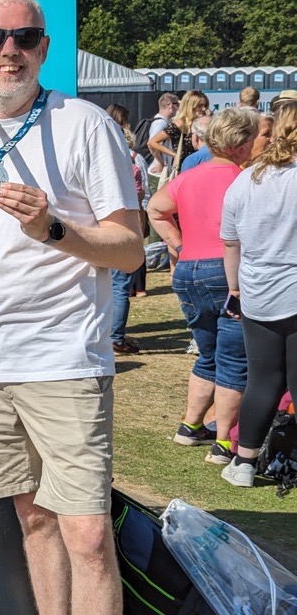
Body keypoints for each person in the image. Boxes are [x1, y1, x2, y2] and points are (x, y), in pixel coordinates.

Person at [0, 0, 142, 615]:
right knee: (34, 522)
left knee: (87, 534)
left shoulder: (86, 125)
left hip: (65, 361)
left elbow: (129, 249)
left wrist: (54, 227)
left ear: (45, 47)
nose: (8, 50)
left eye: (23, 36)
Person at [146, 107, 260, 465]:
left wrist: (179, 245)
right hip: (227, 273)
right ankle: (224, 442)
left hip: (189, 271)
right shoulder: (245, 178)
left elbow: (155, 208)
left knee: (207, 353)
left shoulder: (188, 177)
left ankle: (190, 425)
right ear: (242, 145)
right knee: (234, 360)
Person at [219, 103, 297, 486]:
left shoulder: (245, 180)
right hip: (286, 290)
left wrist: (234, 288)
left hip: (258, 293)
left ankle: (245, 463)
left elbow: (231, 244)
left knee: (262, 380)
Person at [105, 103, 148, 351]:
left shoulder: (95, 164)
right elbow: (141, 200)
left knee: (106, 286)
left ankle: (108, 334)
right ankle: (116, 337)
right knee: (121, 286)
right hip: (125, 228)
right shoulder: (133, 163)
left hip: (101, 229)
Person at [148, 90, 209, 184]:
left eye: (205, 105)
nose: (204, 109)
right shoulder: (181, 123)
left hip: (200, 167)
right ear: (190, 107)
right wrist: (174, 155)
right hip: (182, 171)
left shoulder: (203, 122)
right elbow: (152, 142)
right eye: (199, 106)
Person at [144, 92, 180, 175]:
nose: (178, 108)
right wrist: (160, 162)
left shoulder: (161, 121)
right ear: (170, 105)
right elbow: (151, 144)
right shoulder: (161, 123)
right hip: (157, 172)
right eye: (177, 104)